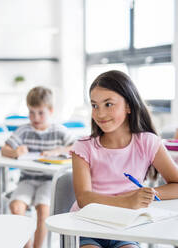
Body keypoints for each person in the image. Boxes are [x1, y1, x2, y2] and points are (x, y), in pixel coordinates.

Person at [71, 70, 178, 248]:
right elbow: (84, 198)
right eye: (95, 105)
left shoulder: (147, 142)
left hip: (125, 226)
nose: (100, 113)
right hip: (86, 225)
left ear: (128, 106)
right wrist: (127, 201)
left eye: (108, 104)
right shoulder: (83, 146)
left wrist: (147, 195)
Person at [1, 86, 75, 248]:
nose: (35, 117)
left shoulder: (59, 131)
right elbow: (4, 149)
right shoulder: (24, 130)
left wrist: (58, 150)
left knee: (43, 211)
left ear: (50, 111)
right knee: (16, 207)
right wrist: (15, 152)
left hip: (49, 181)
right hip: (27, 179)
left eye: (40, 112)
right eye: (31, 112)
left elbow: (75, 147)